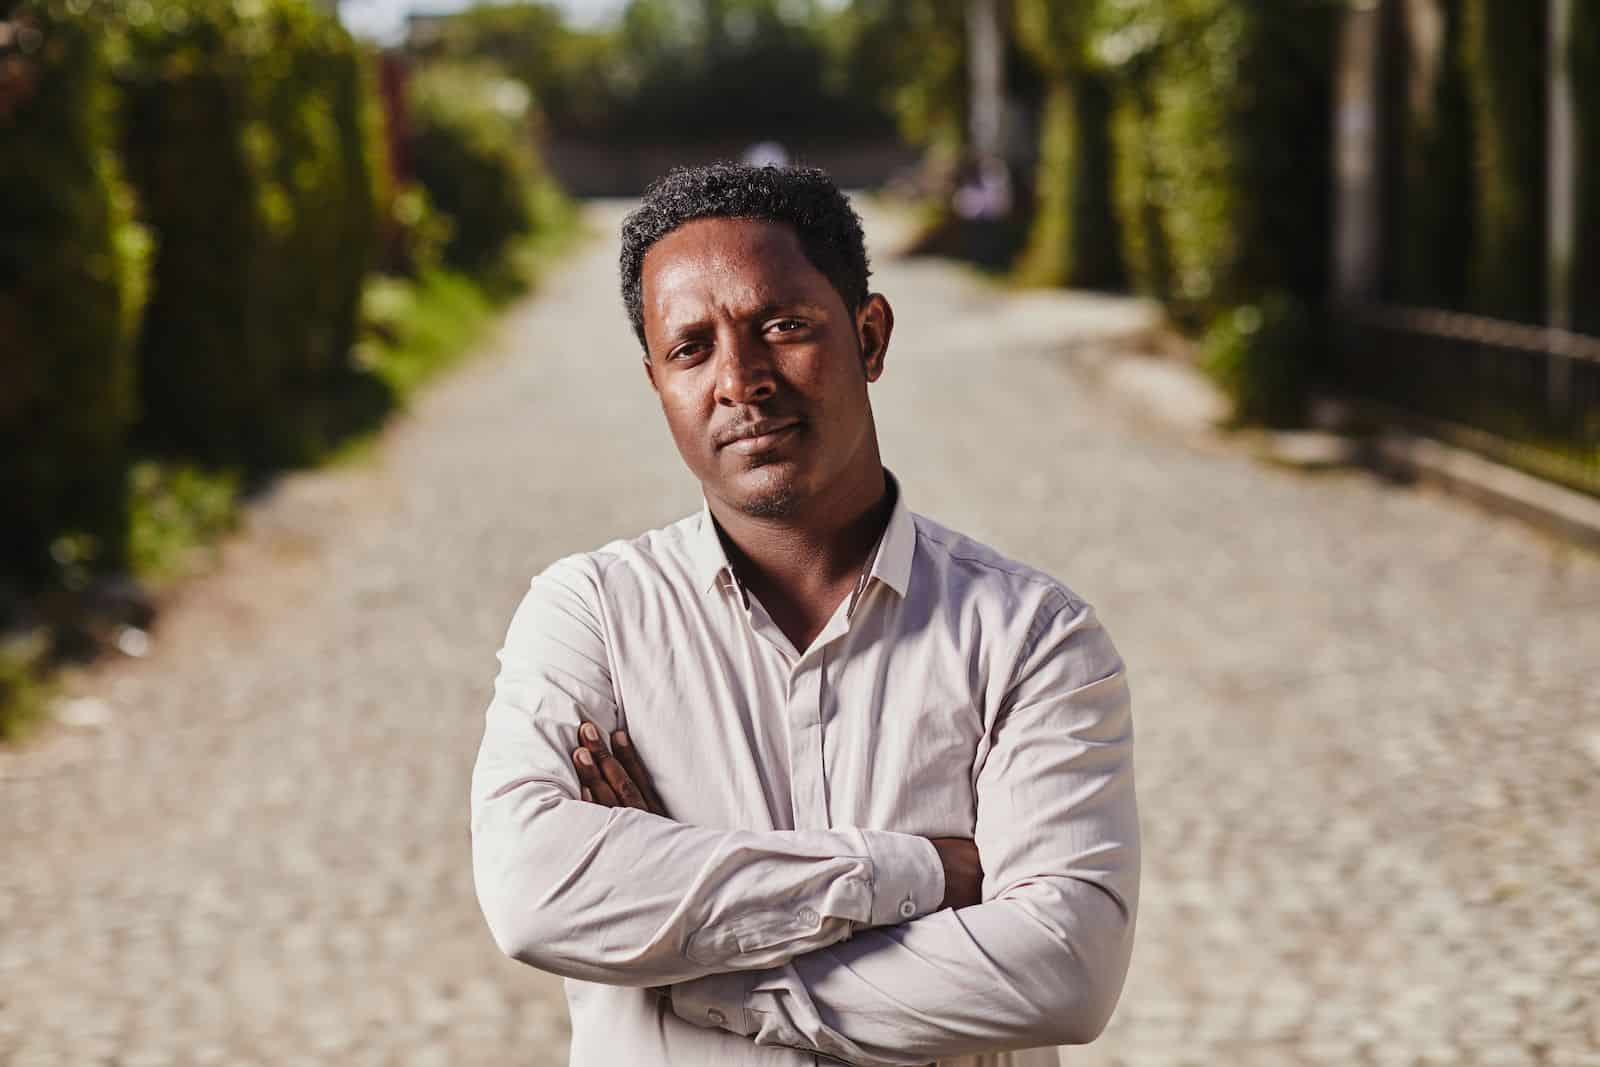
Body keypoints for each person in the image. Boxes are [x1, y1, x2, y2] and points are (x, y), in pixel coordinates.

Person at [469, 162, 1140, 1067]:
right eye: (690, 348)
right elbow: (534, 890)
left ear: (870, 336)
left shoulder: (1029, 635)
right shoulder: (591, 617)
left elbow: (1062, 967)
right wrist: (919, 875)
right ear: (656, 381)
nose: (741, 381)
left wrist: (714, 972)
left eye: (782, 327)